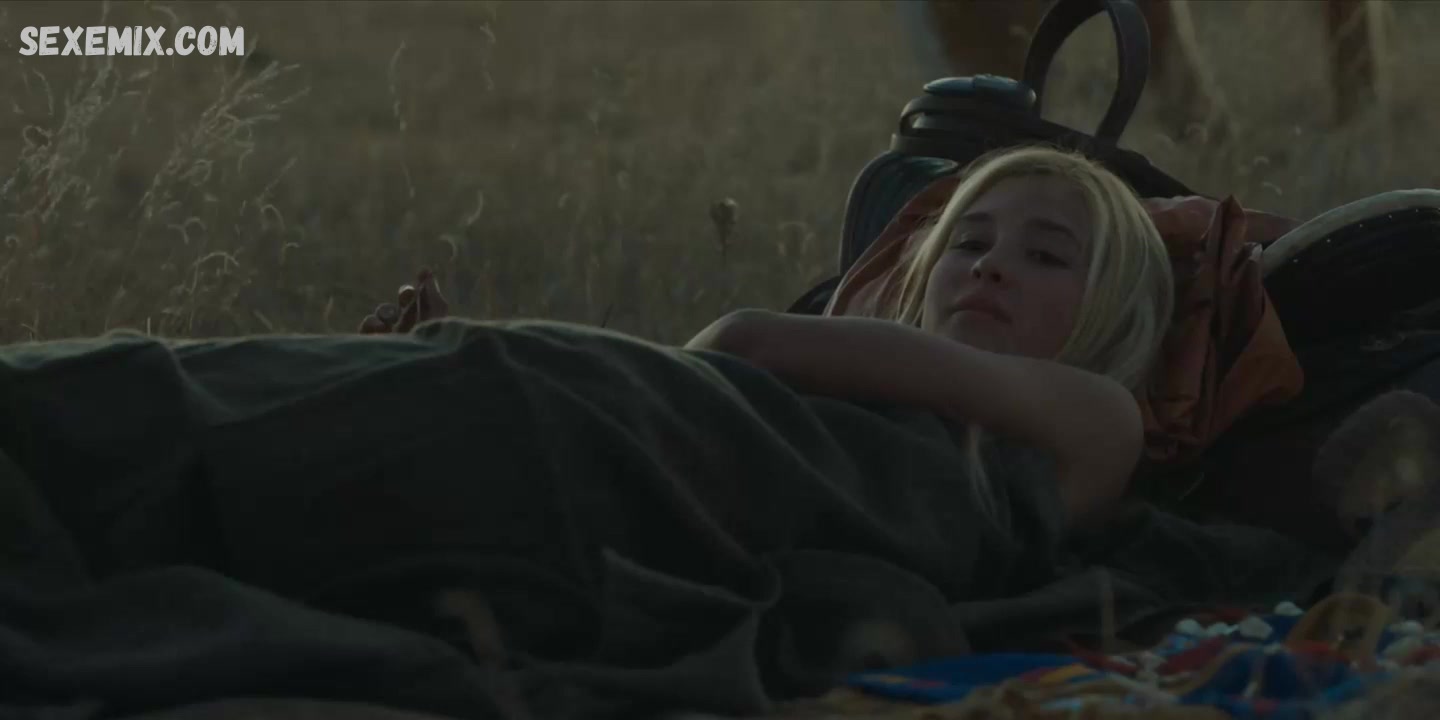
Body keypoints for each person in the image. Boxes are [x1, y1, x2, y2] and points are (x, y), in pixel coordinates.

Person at [10, 146, 1298, 720]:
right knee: (218, 401)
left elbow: (742, 343)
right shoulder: (875, 377)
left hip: (627, 453)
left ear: (1117, 318)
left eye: (1047, 253)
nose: (990, 266)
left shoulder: (1099, 419)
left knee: (219, 434)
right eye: (965, 241)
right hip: (613, 420)